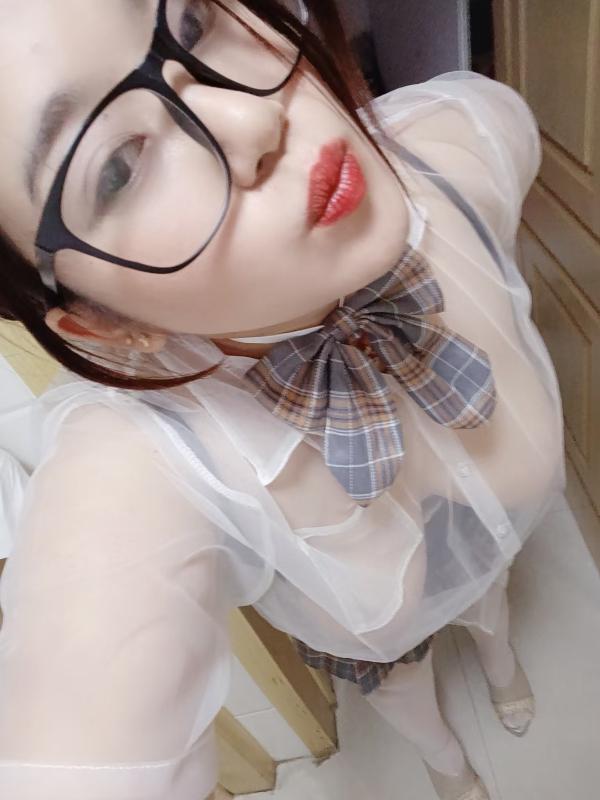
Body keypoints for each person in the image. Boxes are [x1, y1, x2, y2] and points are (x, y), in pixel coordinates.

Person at [0, 2, 564, 799]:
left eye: (193, 23)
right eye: (118, 167)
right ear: (103, 324)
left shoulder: (454, 143)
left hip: (483, 537)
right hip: (374, 636)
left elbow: (503, 121)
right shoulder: (145, 457)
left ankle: (501, 662)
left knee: (489, 589)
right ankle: (447, 763)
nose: (253, 118)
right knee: (396, 673)